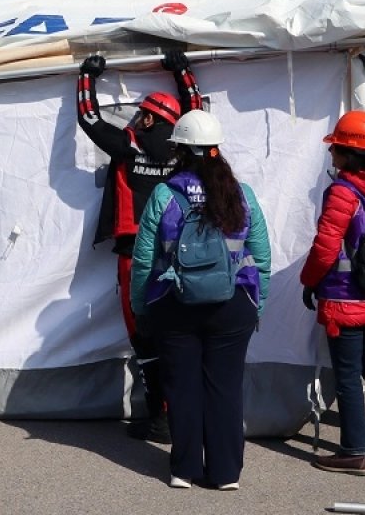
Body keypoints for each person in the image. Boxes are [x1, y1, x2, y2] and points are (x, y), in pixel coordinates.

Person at [129, 109, 271, 490]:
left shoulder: (164, 193)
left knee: (182, 386)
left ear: (180, 151)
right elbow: (261, 254)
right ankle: (226, 474)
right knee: (225, 387)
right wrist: (258, 303)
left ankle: (183, 470)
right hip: (233, 304)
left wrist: (141, 307)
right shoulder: (242, 194)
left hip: (175, 305)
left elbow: (144, 258)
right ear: (216, 149)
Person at [76, 50, 202, 444]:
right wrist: (182, 71)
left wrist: (87, 76)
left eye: (139, 114)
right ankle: (184, 415)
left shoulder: (126, 146)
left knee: (144, 336)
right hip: (179, 257)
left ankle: (159, 417)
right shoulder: (185, 152)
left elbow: (88, 117)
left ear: (147, 119)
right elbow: (196, 108)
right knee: (179, 335)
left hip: (135, 257)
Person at [299, 111, 365, 475]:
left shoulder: (344, 192)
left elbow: (326, 246)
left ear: (349, 153)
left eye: (335, 149)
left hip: (346, 298)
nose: (331, 155)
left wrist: (309, 280)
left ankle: (355, 451)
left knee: (347, 375)